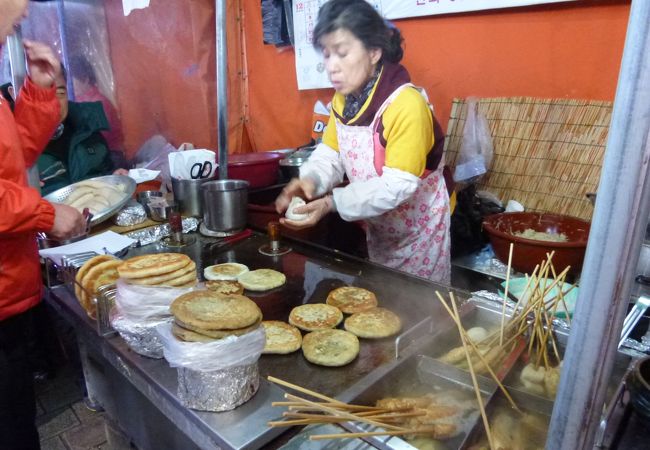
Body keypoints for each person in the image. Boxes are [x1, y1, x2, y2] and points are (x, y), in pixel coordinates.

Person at [275, 0, 452, 283]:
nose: (331, 67)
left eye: (342, 53)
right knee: (382, 307)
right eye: (327, 54)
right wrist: (310, 181)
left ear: (373, 52)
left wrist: (331, 203)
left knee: (421, 310)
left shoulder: (406, 105)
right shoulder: (343, 100)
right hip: (379, 225)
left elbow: (397, 186)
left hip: (419, 233)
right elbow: (331, 152)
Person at [0, 1, 86, 448]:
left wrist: (39, 90)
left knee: (17, 422)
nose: (24, 13)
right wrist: (46, 213)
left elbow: (12, 162)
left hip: (9, 290)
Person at [36, 66, 126, 195]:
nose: (54, 104)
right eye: (43, 94)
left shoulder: (87, 129)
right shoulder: (10, 147)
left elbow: (98, 174)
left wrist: (112, 178)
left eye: (60, 93)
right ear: (14, 93)